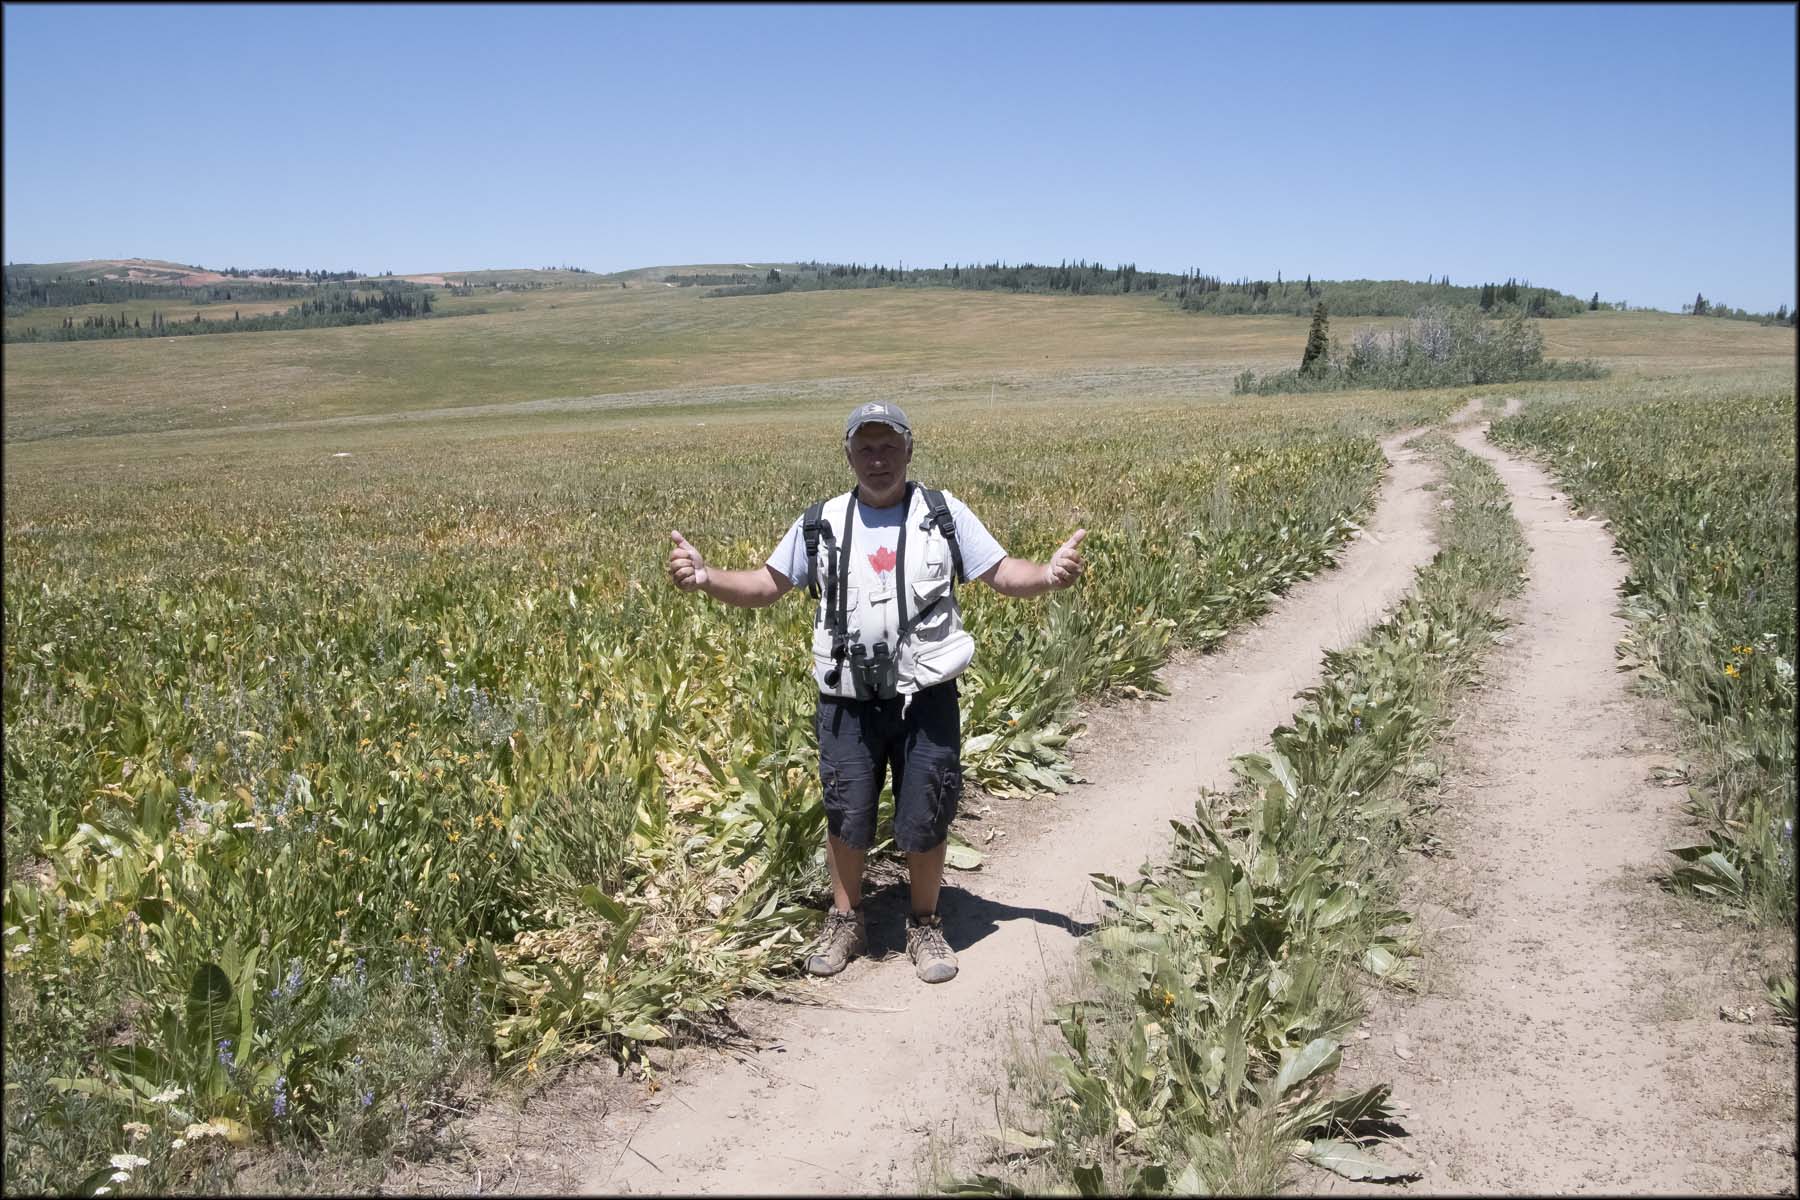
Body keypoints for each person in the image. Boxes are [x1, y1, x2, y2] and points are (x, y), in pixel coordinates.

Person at [666, 401, 1086, 984]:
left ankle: (925, 923)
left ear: (909, 449)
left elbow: (1001, 572)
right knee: (846, 812)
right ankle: (846, 921)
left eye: (888, 446)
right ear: (848, 455)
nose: (878, 458)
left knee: (927, 810)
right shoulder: (821, 523)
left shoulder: (943, 513)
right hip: (846, 700)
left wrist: (1047, 575)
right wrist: (707, 577)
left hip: (927, 696)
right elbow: (765, 585)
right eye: (865, 448)